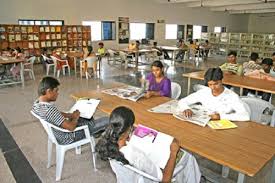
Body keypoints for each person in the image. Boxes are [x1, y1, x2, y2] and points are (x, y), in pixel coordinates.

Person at [96, 106, 201, 183]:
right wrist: (173, 152)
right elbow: (165, 179)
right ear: (130, 128)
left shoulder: (108, 145)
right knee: (188, 156)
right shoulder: (133, 153)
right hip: (147, 179)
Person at [31, 76, 109, 145]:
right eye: (56, 91)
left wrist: (71, 115)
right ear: (48, 91)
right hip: (69, 136)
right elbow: (71, 127)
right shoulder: (50, 110)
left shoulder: (38, 104)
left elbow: (56, 114)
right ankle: (97, 133)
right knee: (108, 120)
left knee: (87, 114)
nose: (58, 93)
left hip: (59, 133)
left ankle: (95, 131)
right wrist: (75, 118)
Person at [178, 68, 250, 121]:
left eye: (216, 84)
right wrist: (186, 108)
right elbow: (182, 101)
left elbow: (245, 116)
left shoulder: (231, 96)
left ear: (222, 81)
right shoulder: (204, 92)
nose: (213, 87)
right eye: (210, 84)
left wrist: (221, 116)